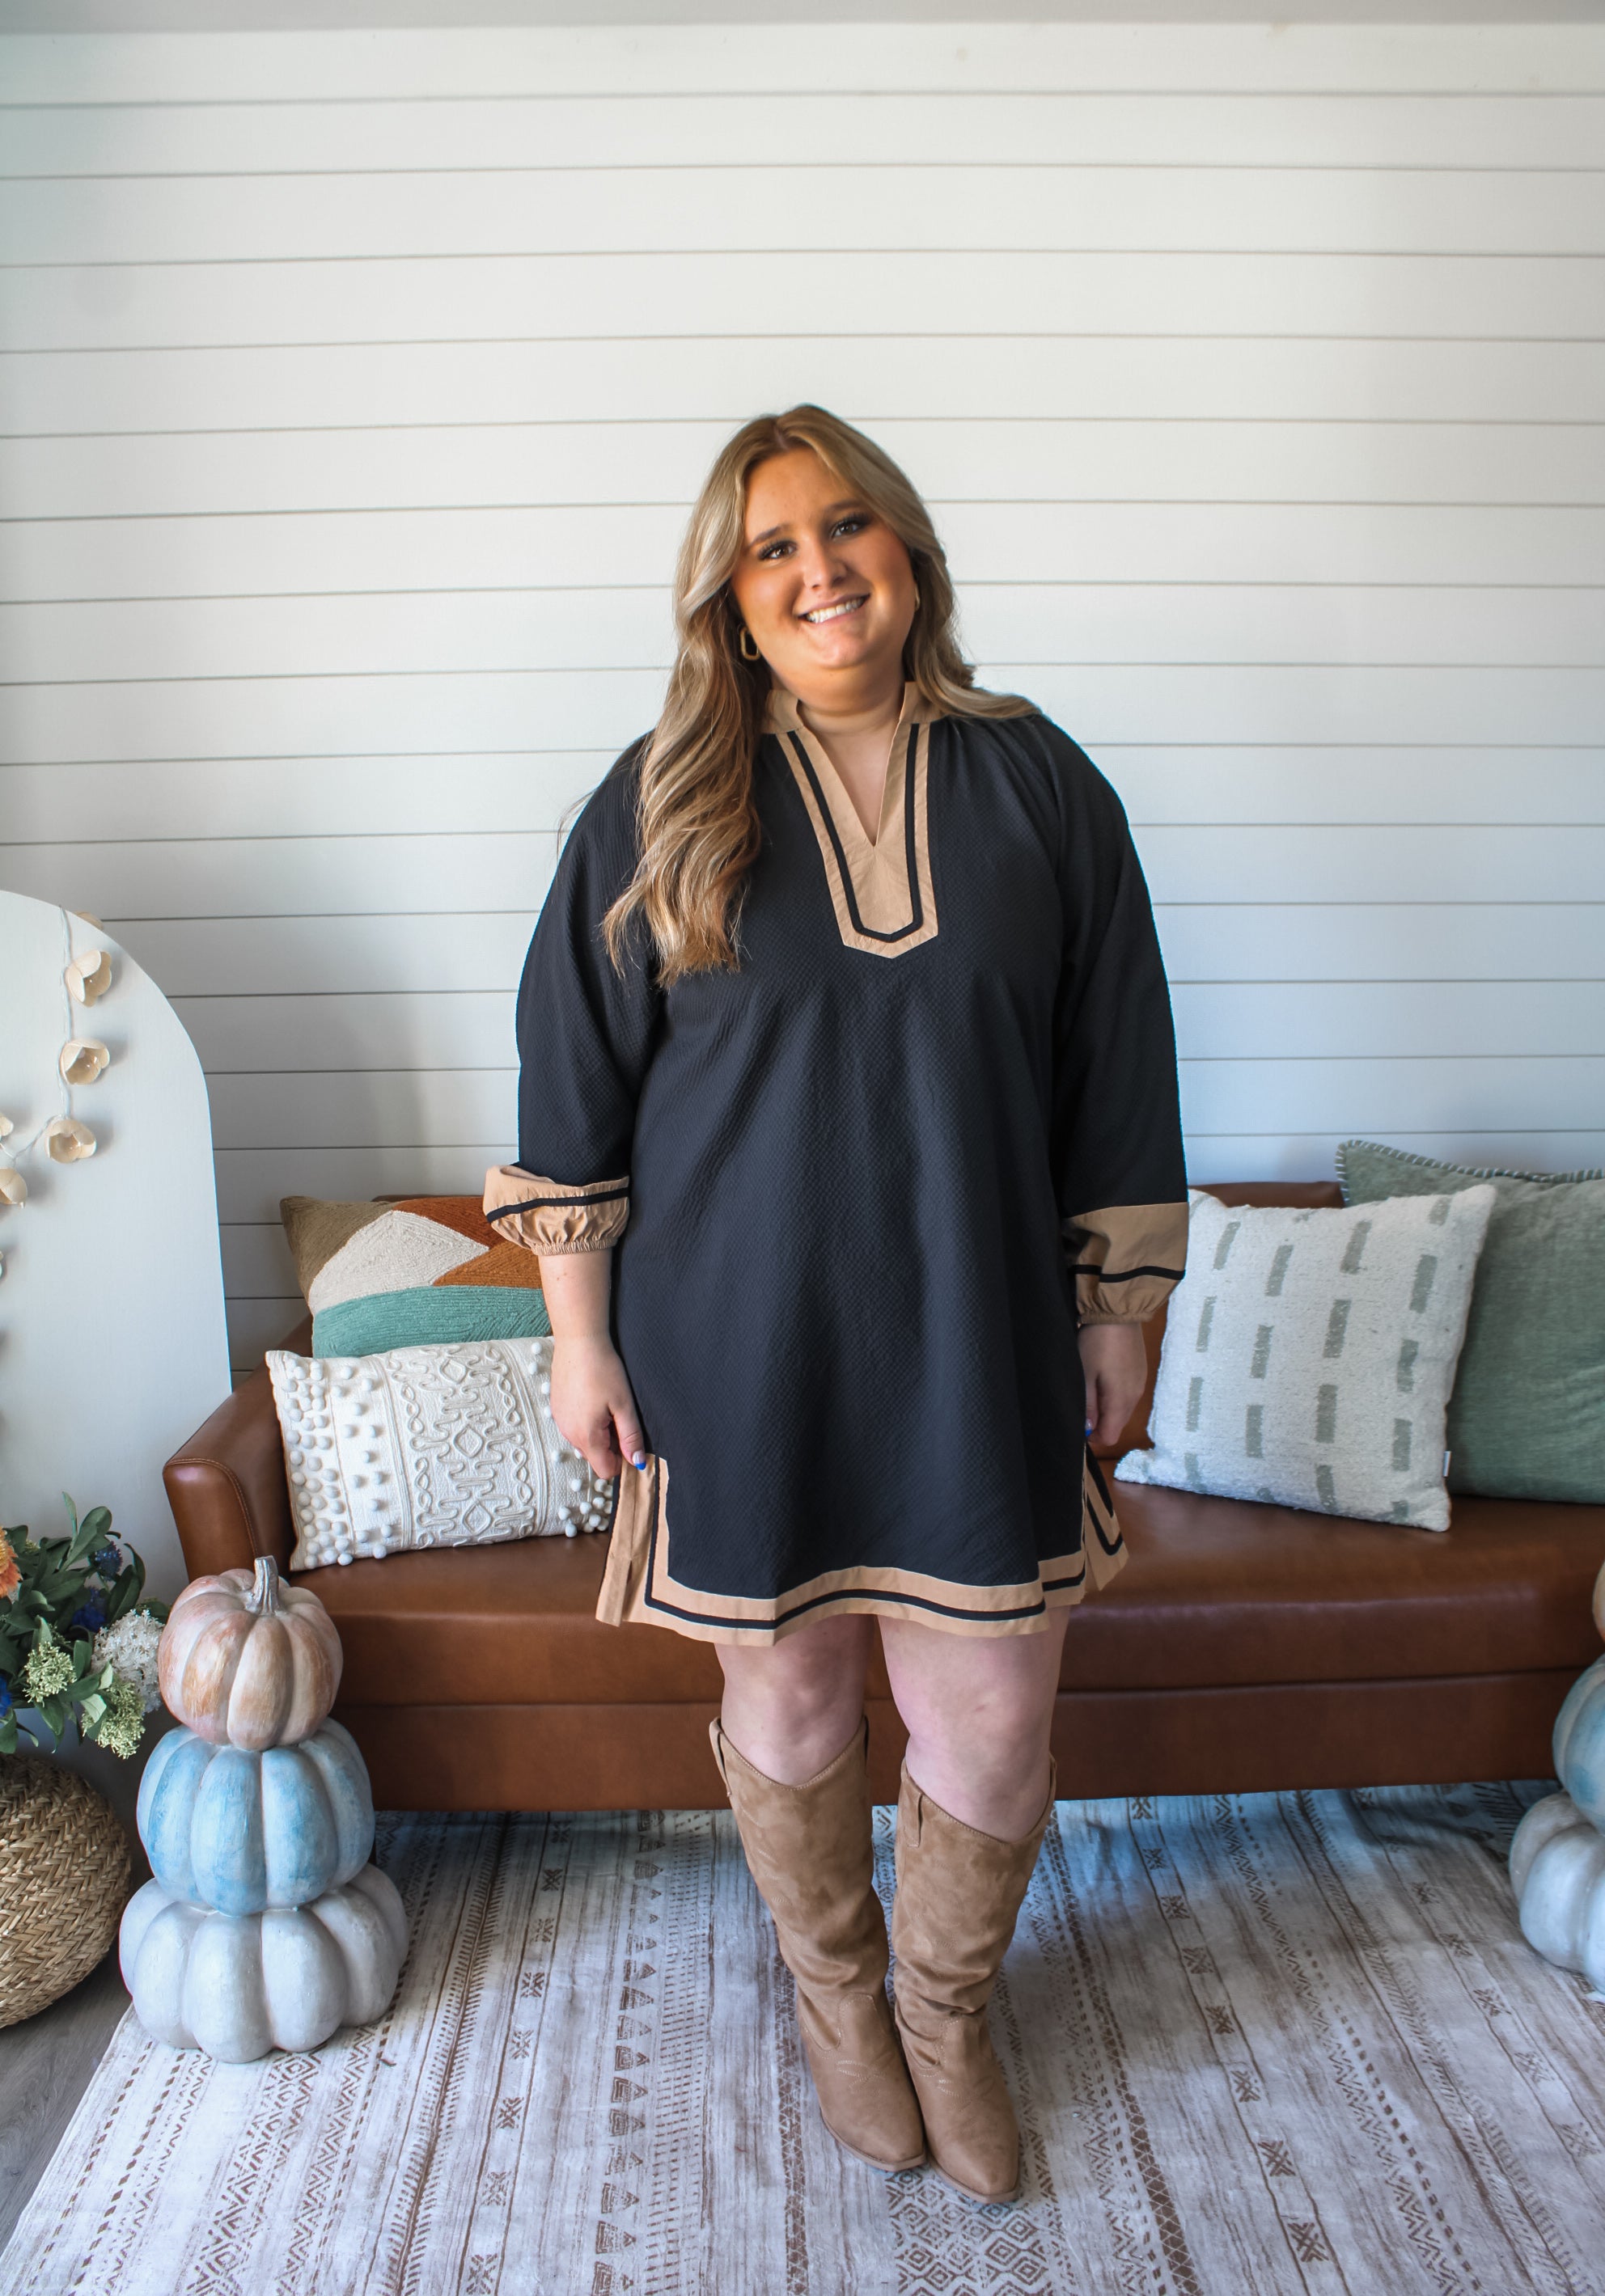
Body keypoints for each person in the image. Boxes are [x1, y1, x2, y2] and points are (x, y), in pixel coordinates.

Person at [485, 406, 1187, 2205]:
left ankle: (946, 2013)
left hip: (979, 1336)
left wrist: (1117, 1309)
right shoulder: (661, 796)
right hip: (742, 1344)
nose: (820, 569)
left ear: (909, 552)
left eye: (847, 526)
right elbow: (570, 1083)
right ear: (727, 595)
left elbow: (1116, 1073)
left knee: (994, 1716)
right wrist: (579, 1334)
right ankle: (838, 2000)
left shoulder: (1039, 784)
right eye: (774, 546)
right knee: (791, 1702)